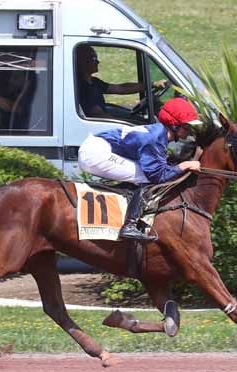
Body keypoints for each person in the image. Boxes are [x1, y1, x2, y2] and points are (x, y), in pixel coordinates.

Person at [78, 97, 202, 241]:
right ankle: (129, 226)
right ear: (174, 125)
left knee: (140, 173)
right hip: (95, 153)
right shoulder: (154, 139)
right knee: (145, 177)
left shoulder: (159, 133)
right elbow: (157, 176)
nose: (189, 131)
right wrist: (185, 165)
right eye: (186, 126)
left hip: (98, 148)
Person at [76, 44, 167, 117]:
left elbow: (121, 88)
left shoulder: (94, 82)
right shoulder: (82, 86)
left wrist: (152, 84)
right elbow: (97, 114)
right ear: (83, 61)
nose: (98, 62)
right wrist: (123, 125)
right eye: (94, 58)